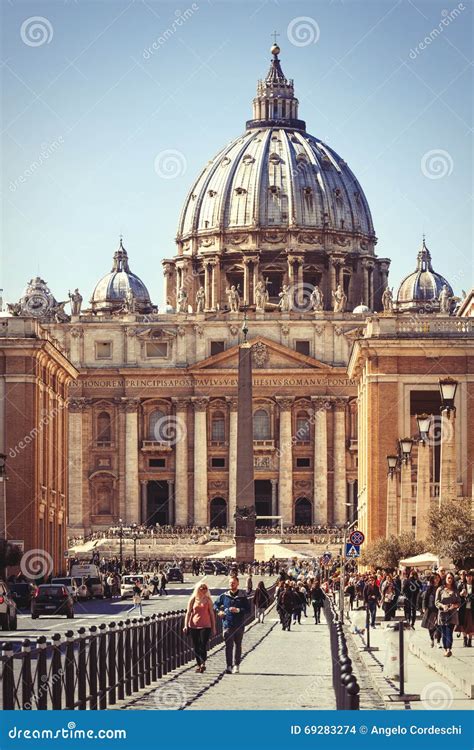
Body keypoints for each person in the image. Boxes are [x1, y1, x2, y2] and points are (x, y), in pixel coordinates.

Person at [214, 576, 250, 674]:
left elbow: (248, 610)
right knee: (228, 646)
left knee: (238, 645)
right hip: (227, 624)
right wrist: (219, 611)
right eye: (230, 583)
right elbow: (215, 604)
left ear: (238, 584)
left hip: (239, 624)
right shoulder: (224, 596)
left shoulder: (242, 596)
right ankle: (229, 666)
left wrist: (238, 610)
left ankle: (236, 665)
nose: (232, 584)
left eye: (233, 583)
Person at [184, 581, 216, 673]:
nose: (203, 590)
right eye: (202, 588)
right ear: (198, 589)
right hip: (193, 625)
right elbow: (188, 613)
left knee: (203, 644)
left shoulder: (208, 600)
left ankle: (203, 663)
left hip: (206, 625)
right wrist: (185, 625)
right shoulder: (193, 599)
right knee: (196, 646)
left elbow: (212, 614)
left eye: (205, 588)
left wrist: (214, 627)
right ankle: (198, 664)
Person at [435, 571, 461, 657]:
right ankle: (446, 649)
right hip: (443, 614)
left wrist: (455, 605)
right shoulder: (440, 589)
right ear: (445, 579)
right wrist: (443, 606)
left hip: (452, 614)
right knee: (444, 632)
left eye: (451, 578)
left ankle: (449, 649)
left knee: (449, 631)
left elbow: (459, 602)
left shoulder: (455, 590)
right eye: (448, 578)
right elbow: (437, 602)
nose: (450, 580)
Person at [421, 573, 441, 648]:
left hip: (439, 609)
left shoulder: (442, 587)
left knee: (439, 625)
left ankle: (438, 641)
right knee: (430, 626)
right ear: (432, 579)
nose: (436, 579)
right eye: (435, 578)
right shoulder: (430, 588)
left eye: (438, 578)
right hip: (431, 609)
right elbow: (425, 598)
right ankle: (432, 639)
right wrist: (424, 607)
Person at [457, 569, 474, 647]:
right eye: (467, 576)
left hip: (471, 608)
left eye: (470, 576)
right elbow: (457, 596)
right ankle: (464, 639)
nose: (469, 578)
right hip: (463, 608)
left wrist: (468, 595)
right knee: (463, 624)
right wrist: (461, 594)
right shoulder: (461, 585)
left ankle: (470, 640)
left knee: (471, 624)